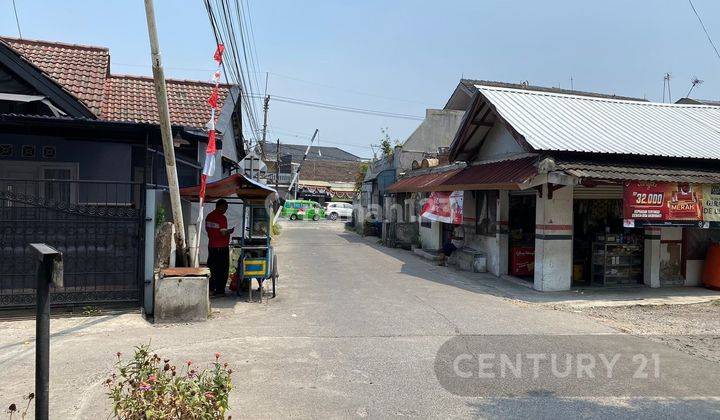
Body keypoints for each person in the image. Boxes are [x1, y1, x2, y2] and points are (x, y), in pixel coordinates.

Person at [206, 199, 234, 296]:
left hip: (211, 246)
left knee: (211, 268)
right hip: (221, 247)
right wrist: (230, 231)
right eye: (225, 208)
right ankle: (220, 290)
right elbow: (223, 232)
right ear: (221, 206)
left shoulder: (208, 216)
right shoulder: (222, 218)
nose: (226, 210)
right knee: (222, 269)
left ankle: (210, 288)